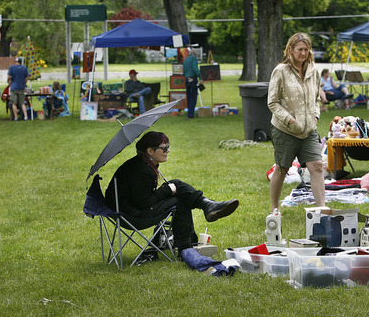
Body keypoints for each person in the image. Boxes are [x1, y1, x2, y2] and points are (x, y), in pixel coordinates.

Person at [104, 131, 239, 256]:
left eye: (168, 147)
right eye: (164, 148)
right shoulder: (141, 170)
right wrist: (166, 191)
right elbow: (144, 203)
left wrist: (166, 189)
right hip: (131, 215)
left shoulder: (143, 163)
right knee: (179, 201)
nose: (168, 151)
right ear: (150, 151)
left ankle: (207, 206)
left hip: (129, 208)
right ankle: (186, 247)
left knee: (176, 184)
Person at [267, 32, 326, 211]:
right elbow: (273, 102)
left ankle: (322, 209)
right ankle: (275, 208)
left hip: (309, 130)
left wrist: (316, 116)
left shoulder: (313, 71)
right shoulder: (280, 71)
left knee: (316, 166)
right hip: (286, 130)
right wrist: (290, 120)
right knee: (282, 168)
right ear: (290, 50)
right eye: (300, 49)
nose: (303, 53)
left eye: (306, 50)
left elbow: (316, 98)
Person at [182, 47, 203, 119]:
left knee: (189, 97)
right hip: (193, 79)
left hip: (187, 79)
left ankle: (189, 112)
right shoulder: (193, 58)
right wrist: (200, 78)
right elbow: (195, 69)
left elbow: (183, 71)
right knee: (193, 98)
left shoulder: (185, 60)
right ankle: (190, 114)